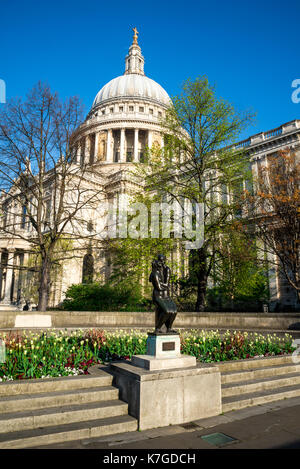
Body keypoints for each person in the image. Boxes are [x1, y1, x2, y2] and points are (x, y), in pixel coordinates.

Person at [149, 254, 177, 334]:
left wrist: (163, 284)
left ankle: (169, 328)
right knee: (167, 311)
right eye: (159, 260)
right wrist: (163, 285)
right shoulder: (154, 272)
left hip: (166, 296)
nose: (161, 262)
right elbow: (158, 287)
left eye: (162, 260)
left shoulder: (167, 270)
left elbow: (167, 284)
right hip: (158, 296)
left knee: (174, 311)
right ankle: (157, 328)